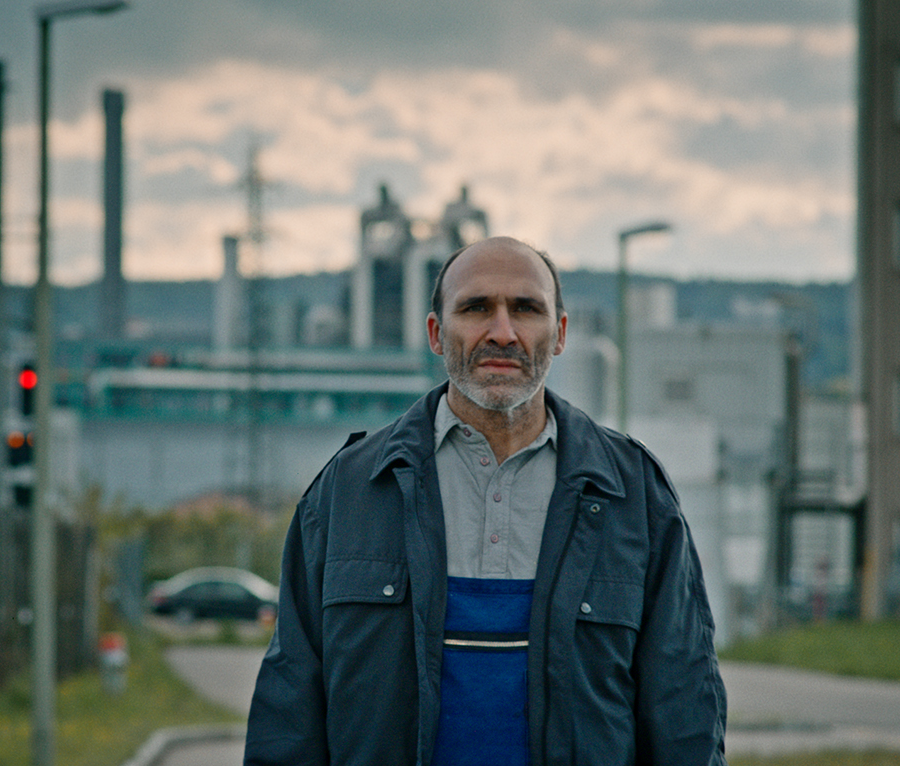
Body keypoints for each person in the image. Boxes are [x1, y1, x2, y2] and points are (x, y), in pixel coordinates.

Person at [245, 236, 727, 765]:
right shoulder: (352, 489)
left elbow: (684, 710)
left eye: (526, 309)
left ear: (560, 333)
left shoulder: (631, 494)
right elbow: (289, 710)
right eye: (476, 308)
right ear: (436, 333)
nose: (503, 332)